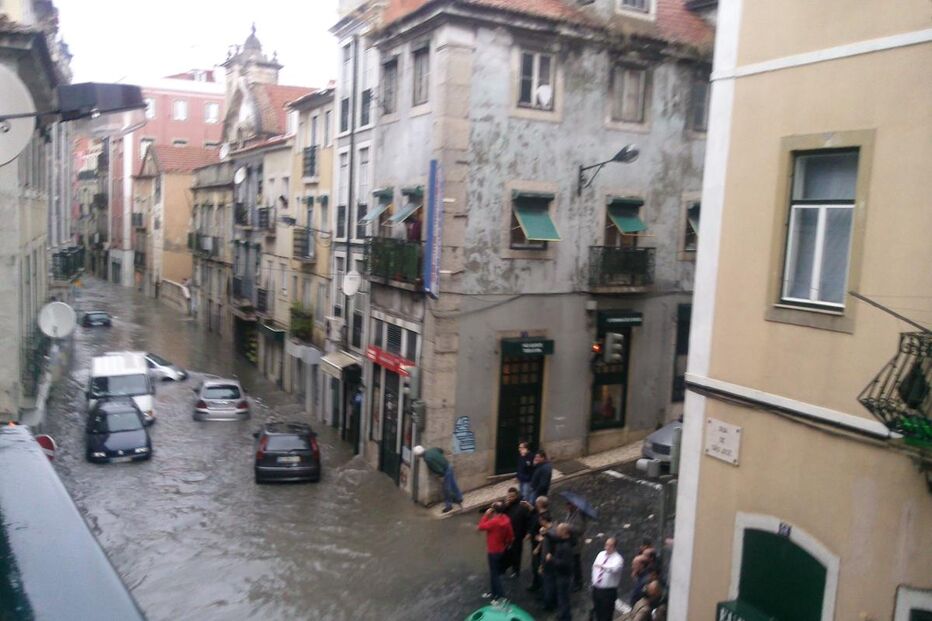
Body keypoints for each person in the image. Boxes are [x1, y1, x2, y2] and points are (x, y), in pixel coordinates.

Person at [477, 502, 514, 602]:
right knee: (495, 573)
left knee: (494, 575)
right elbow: (510, 536)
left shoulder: (493, 522)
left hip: (493, 551)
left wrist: (486, 515)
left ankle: (500, 596)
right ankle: (494, 593)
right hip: (501, 549)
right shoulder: (506, 519)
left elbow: (480, 527)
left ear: (494, 511)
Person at [417, 446, 463, 513]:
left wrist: (440, 474)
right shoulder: (432, 449)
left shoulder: (427, 459)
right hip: (448, 465)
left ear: (419, 455)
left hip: (445, 471)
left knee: (446, 488)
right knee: (453, 484)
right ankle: (459, 498)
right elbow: (441, 450)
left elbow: (437, 468)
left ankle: (449, 506)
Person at [590, 537, 624, 621]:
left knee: (606, 615)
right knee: (597, 612)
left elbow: (614, 569)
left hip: (608, 592)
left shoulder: (618, 559)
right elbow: (594, 567)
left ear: (614, 547)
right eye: (606, 545)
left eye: (610, 545)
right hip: (596, 589)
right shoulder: (601, 554)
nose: (607, 547)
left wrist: (603, 567)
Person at [548, 523, 575, 621]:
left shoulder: (566, 547)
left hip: (564, 577)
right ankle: (563, 615)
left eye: (558, 530)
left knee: (563, 599)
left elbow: (565, 564)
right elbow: (553, 536)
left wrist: (552, 559)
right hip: (561, 575)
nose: (556, 531)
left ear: (564, 532)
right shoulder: (562, 541)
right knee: (562, 598)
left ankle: (564, 617)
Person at [502, 487, 531, 578]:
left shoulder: (522, 506)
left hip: (518, 534)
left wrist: (528, 532)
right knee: (505, 552)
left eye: (512, 496)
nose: (510, 498)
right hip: (506, 534)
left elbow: (528, 520)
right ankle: (504, 567)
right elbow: (500, 514)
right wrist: (505, 506)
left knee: (516, 553)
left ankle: (516, 570)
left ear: (516, 496)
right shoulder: (506, 505)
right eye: (509, 496)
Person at [526, 496, 550, 593]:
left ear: (540, 504)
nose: (535, 504)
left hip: (538, 545)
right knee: (534, 565)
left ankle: (541, 587)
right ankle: (536, 584)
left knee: (538, 566)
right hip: (535, 543)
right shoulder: (539, 513)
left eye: (536, 503)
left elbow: (544, 530)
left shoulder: (544, 516)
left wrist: (536, 536)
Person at [565, 500, 589, 591]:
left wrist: (568, 527)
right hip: (571, 541)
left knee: (576, 563)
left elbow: (580, 529)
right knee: (573, 562)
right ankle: (575, 580)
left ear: (573, 505)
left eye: (568, 505)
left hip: (576, 542)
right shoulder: (569, 513)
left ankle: (578, 582)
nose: (566, 507)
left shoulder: (579, 515)